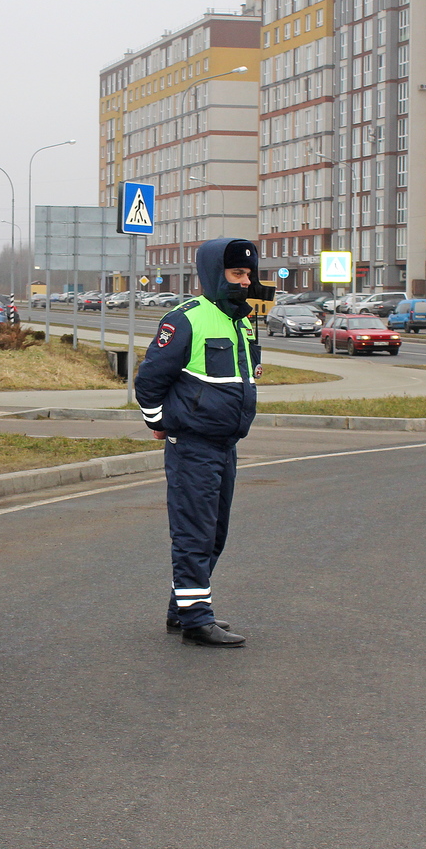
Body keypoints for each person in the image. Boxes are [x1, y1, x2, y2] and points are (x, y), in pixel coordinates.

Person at [134, 238, 264, 648]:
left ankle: (184, 608)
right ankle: (196, 620)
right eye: (236, 274)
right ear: (214, 273)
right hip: (193, 443)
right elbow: (149, 381)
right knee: (195, 532)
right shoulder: (187, 319)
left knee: (215, 533)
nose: (245, 282)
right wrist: (159, 423)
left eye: (247, 274)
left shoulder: (241, 321)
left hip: (225, 444)